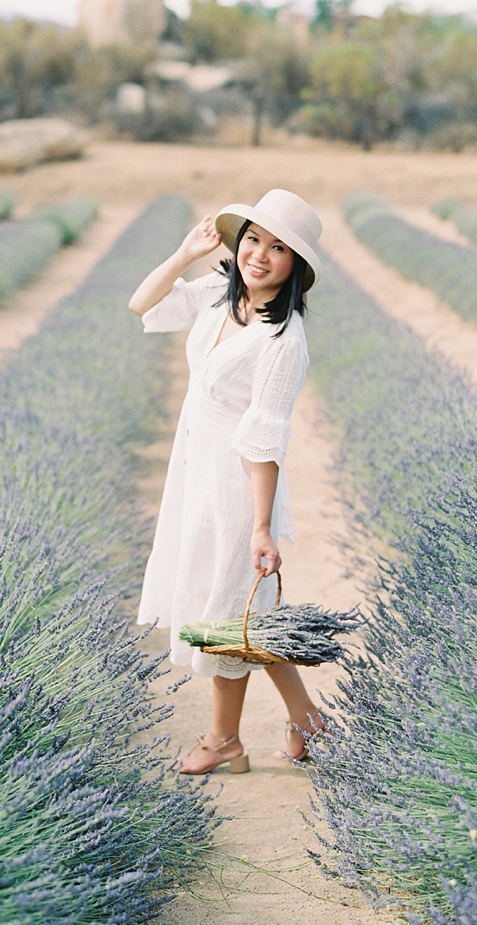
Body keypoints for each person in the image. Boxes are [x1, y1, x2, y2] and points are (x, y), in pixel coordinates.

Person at [129, 189, 325, 775]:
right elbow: (143, 304)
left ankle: (223, 741)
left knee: (226, 610)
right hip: (196, 469)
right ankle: (307, 721)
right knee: (249, 614)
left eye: (279, 248)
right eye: (254, 239)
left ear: (296, 266)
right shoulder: (219, 299)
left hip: (239, 485)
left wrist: (262, 527)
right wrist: (184, 253)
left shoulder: (283, 340)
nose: (260, 256)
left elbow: (264, 441)